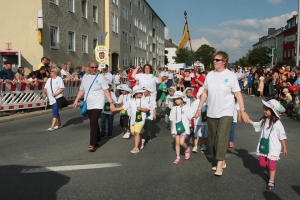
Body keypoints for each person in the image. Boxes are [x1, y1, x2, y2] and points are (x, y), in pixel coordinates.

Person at [195, 51, 249, 176]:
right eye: (214, 59)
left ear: (224, 61)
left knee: (222, 137)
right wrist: (199, 108)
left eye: (217, 60)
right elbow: (205, 92)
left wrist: (243, 110)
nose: (215, 61)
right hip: (212, 111)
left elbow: (238, 94)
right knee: (213, 139)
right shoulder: (210, 75)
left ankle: (219, 164)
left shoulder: (230, 75)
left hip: (226, 111)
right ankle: (221, 158)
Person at [73, 60, 115, 152]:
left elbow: (106, 90)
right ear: (89, 68)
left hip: (98, 102)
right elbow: (82, 90)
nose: (94, 69)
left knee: (93, 121)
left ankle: (92, 144)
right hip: (88, 102)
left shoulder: (100, 77)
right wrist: (76, 100)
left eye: (96, 67)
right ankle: (98, 139)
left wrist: (111, 103)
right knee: (93, 122)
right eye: (92, 67)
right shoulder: (85, 77)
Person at [247, 100, 287, 190]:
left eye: (267, 109)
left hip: (273, 147)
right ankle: (270, 171)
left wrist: (284, 147)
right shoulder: (264, 120)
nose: (264, 110)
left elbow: (282, 136)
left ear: (273, 111)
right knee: (262, 163)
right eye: (264, 109)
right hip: (264, 146)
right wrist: (248, 120)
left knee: (271, 164)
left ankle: (271, 181)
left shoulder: (278, 123)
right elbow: (257, 125)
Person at [113, 85, 150, 153]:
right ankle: (141, 141)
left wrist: (141, 109)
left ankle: (136, 148)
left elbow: (148, 109)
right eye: (139, 92)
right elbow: (124, 107)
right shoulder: (130, 101)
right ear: (135, 93)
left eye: (141, 92)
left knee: (136, 133)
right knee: (133, 133)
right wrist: (115, 109)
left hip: (141, 119)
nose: (141, 94)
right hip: (132, 119)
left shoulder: (144, 100)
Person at [169, 91, 194, 164]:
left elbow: (191, 115)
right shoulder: (173, 108)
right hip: (176, 128)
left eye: (178, 99)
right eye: (175, 99)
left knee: (181, 142)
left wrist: (193, 118)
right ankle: (178, 157)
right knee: (177, 142)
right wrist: (172, 128)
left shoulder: (186, 108)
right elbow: (172, 119)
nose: (176, 100)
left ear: (182, 99)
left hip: (184, 127)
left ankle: (187, 149)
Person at [42, 67, 65, 131]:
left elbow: (62, 88)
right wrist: (44, 93)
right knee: (55, 111)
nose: (50, 72)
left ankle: (52, 126)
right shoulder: (49, 79)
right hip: (51, 99)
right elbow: (45, 88)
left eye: (52, 71)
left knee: (55, 112)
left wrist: (56, 94)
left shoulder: (59, 79)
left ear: (55, 72)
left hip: (57, 98)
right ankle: (59, 124)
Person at [191, 87, 208, 153]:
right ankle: (195, 146)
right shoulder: (196, 102)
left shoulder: (207, 102)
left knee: (205, 134)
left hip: (205, 122)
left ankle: (204, 144)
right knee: (196, 134)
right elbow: (192, 111)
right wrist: (194, 115)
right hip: (197, 121)